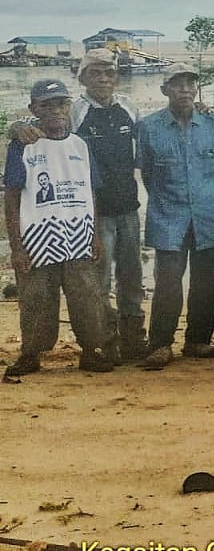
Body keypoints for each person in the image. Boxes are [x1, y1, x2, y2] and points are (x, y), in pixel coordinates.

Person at [9, 48, 146, 356]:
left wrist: (198, 108)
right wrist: (15, 128)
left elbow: (150, 135)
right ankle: (105, 343)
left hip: (128, 207)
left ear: (117, 76)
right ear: (82, 77)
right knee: (97, 283)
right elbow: (41, 122)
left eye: (109, 72)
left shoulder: (129, 107)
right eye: (95, 73)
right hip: (92, 215)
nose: (103, 78)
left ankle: (134, 339)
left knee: (132, 277)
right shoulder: (75, 110)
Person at [4, 79, 114, 376]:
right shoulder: (22, 146)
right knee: (36, 298)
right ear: (34, 109)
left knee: (87, 296)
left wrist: (95, 236)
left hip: (78, 236)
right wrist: (17, 247)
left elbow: (91, 192)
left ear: (69, 107)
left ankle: (91, 351)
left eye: (61, 103)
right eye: (46, 105)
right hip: (36, 238)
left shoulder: (81, 145)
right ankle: (31, 354)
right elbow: (11, 198)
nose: (55, 110)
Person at [135, 64, 214, 368]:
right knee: (168, 281)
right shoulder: (149, 127)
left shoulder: (212, 124)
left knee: (206, 281)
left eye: (190, 84)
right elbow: (147, 174)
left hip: (209, 214)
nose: (185, 89)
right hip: (168, 215)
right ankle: (161, 344)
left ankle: (197, 341)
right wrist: (167, 200)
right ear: (165, 89)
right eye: (177, 84)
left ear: (197, 89)